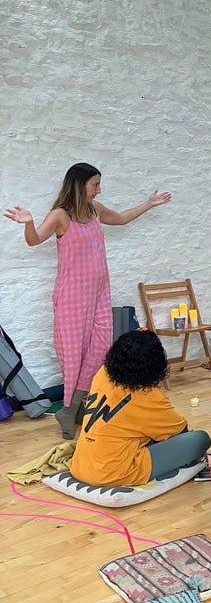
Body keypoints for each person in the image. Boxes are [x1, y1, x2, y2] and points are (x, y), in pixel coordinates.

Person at [4, 163, 171, 438]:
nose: (99, 189)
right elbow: (34, 241)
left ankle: (72, 408)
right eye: (95, 184)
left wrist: (149, 204)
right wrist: (29, 222)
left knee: (99, 351)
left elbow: (121, 218)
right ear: (80, 184)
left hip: (99, 293)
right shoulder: (61, 215)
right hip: (71, 297)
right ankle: (69, 408)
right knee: (73, 357)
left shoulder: (96, 210)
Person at [69, 330, 210, 487]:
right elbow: (180, 433)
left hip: (80, 465)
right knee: (200, 439)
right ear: (156, 364)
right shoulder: (149, 397)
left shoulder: (102, 374)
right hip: (112, 474)